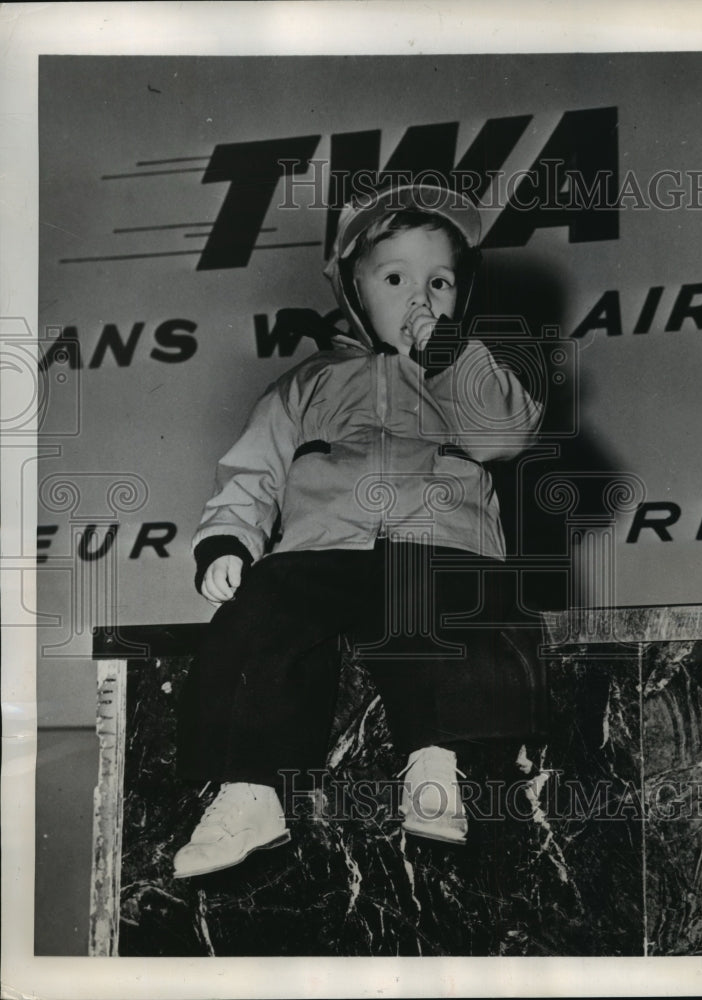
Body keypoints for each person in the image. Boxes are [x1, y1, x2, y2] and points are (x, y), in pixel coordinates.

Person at [173, 182, 545, 878]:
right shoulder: (306, 383)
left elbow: (503, 435)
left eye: (440, 281)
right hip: (322, 549)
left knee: (445, 616)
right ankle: (250, 790)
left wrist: (450, 353)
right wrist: (229, 539)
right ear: (352, 289)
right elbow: (253, 470)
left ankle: (438, 768)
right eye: (397, 278)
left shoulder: (466, 370)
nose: (421, 297)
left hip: (436, 542)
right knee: (259, 619)